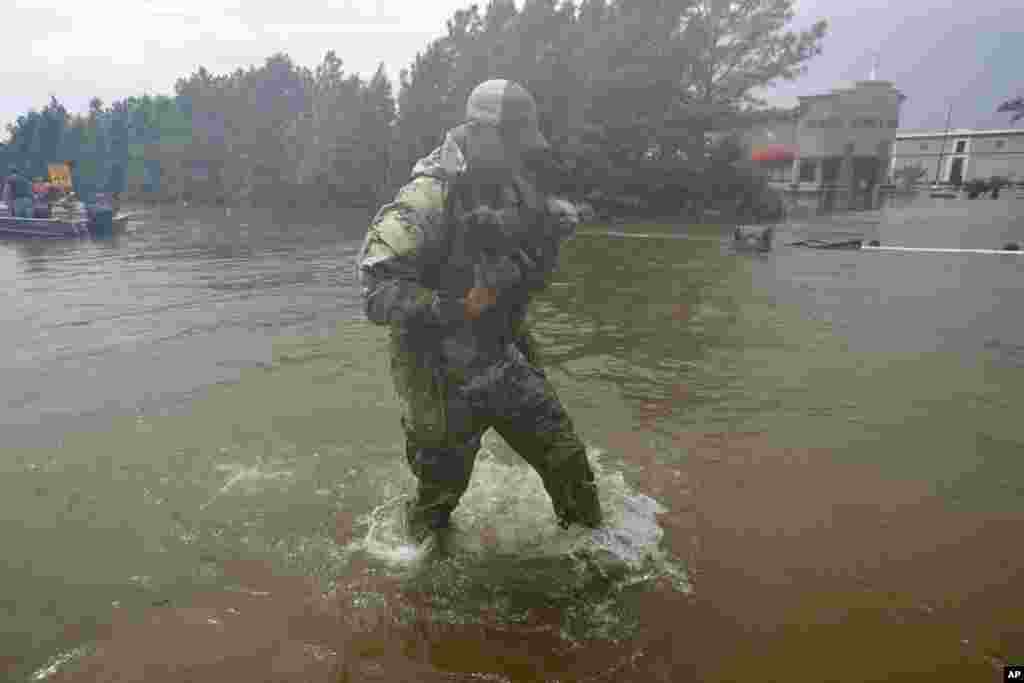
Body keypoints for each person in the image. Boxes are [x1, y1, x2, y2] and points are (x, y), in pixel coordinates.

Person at [356, 79, 603, 542]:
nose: (521, 156)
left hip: (497, 352)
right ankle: (416, 585)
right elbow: (375, 291)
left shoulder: (511, 185)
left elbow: (519, 246)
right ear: (481, 133)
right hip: (435, 369)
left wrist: (553, 226)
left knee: (566, 457)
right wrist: (455, 306)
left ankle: (592, 562)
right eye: (513, 143)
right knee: (437, 502)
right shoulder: (427, 197)